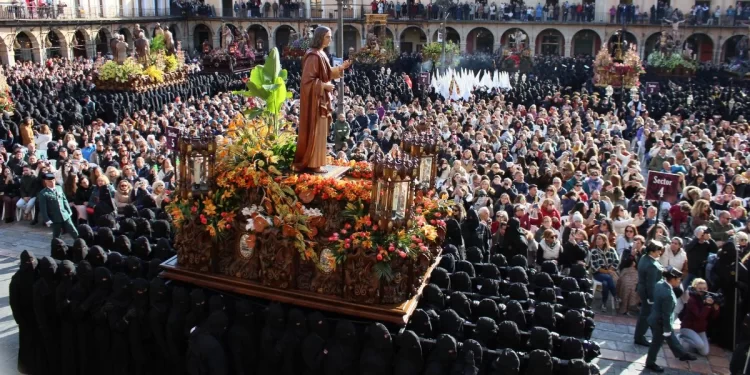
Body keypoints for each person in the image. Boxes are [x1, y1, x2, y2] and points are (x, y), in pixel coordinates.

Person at [293, 26, 352, 173]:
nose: (330, 39)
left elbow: (326, 73)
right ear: (320, 37)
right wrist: (324, 86)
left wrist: (340, 68)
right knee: (316, 132)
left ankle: (318, 162)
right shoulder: (313, 55)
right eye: (328, 36)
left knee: (321, 132)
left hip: (322, 100)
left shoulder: (321, 54)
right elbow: (307, 81)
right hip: (316, 101)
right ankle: (313, 163)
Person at [645, 267, 697, 372]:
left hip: (654, 318)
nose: (679, 281)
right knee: (657, 343)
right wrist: (667, 330)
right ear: (672, 279)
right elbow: (667, 315)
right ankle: (650, 363)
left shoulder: (660, 284)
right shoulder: (668, 294)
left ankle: (682, 354)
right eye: (678, 279)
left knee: (669, 338)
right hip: (660, 322)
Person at [634, 240, 665, 347]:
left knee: (651, 314)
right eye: (658, 251)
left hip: (643, 290)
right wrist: (651, 298)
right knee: (645, 316)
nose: (659, 253)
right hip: (648, 293)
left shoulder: (644, 258)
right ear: (652, 251)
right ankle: (639, 337)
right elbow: (650, 284)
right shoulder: (651, 265)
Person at [679, 278, 719, 356]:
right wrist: (707, 306)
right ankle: (680, 338)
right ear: (695, 288)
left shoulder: (707, 297)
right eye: (700, 288)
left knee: (704, 352)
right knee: (699, 345)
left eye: (704, 288)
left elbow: (713, 317)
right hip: (688, 327)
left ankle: (691, 343)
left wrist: (716, 308)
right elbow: (699, 316)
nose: (702, 290)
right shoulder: (691, 300)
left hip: (700, 329)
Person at [38, 172, 78, 240]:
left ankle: (81, 243)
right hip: (55, 217)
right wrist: (47, 219)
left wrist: (68, 210)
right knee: (57, 235)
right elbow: (43, 208)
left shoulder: (59, 188)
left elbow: (64, 199)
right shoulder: (43, 193)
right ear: (46, 182)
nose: (52, 183)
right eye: (50, 181)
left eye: (53, 180)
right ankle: (56, 247)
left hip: (65, 214)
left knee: (73, 230)